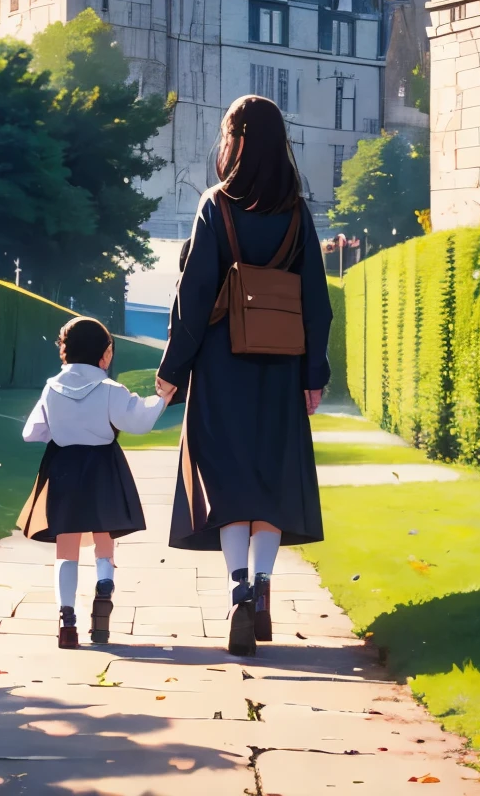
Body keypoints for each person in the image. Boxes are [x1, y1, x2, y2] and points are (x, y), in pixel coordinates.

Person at [154, 94, 331, 657]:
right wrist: (314, 372)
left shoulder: (216, 206)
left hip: (220, 364)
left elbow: (193, 295)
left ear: (235, 140)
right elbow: (316, 303)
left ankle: (236, 591)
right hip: (280, 367)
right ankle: (262, 588)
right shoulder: (299, 214)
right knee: (272, 480)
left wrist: (172, 369)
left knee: (225, 479)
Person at [16, 316, 166, 648]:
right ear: (106, 353)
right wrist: (163, 399)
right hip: (102, 466)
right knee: (104, 536)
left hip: (64, 467)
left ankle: (67, 619)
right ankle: (104, 585)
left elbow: (31, 432)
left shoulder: (51, 387)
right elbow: (137, 421)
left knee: (66, 548)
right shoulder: (111, 390)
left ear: (64, 351)